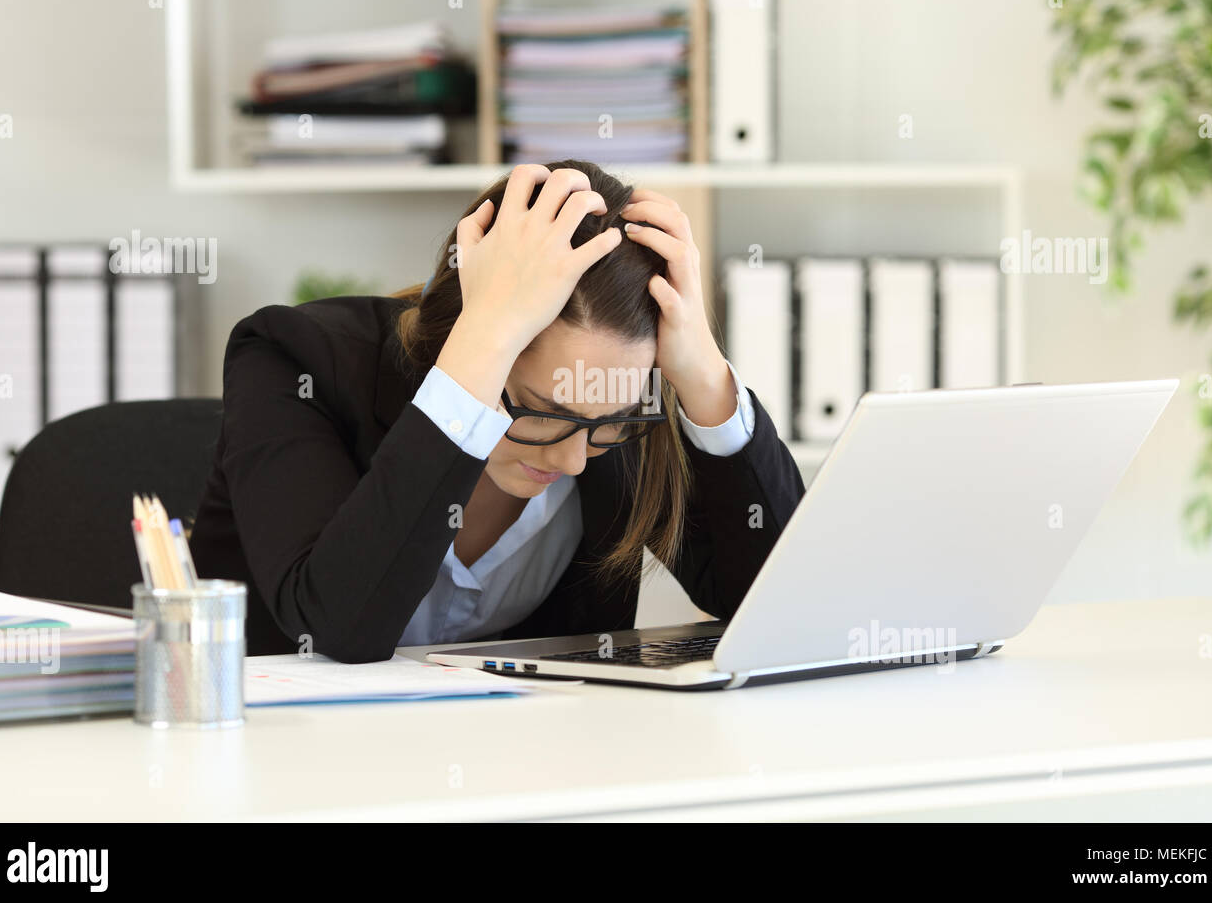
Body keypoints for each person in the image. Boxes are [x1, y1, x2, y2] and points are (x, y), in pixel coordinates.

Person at [188, 159, 806, 660]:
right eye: (540, 412)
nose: (572, 460)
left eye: (605, 427)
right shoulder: (294, 360)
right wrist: (480, 347)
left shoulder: (619, 407)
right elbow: (337, 629)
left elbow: (782, 607)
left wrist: (704, 375)